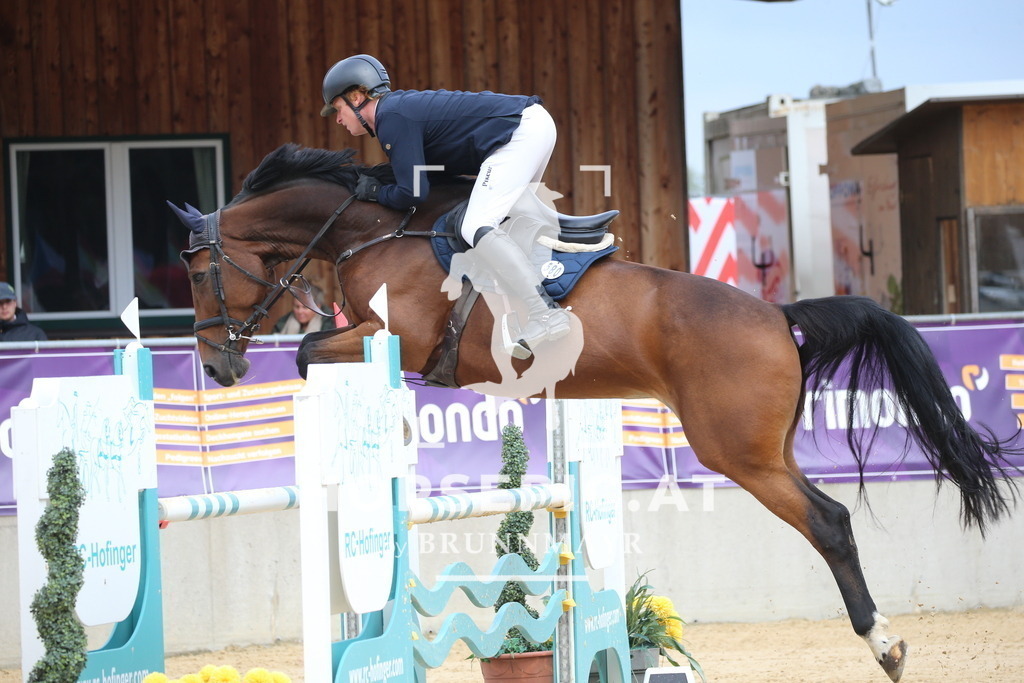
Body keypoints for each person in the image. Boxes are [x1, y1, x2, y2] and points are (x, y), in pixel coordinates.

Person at [319, 54, 571, 359]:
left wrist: (375, 192)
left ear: (357, 97)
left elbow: (413, 192)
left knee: (475, 225)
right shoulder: (397, 112)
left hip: (519, 133)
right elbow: (432, 179)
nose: (337, 119)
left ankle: (545, 314)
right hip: (531, 126)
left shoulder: (391, 118)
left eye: (338, 108)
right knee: (511, 223)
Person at [272, 284, 337, 335]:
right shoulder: (283, 322)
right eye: (297, 307)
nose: (300, 311)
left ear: (317, 307)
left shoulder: (329, 324)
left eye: (305, 307)